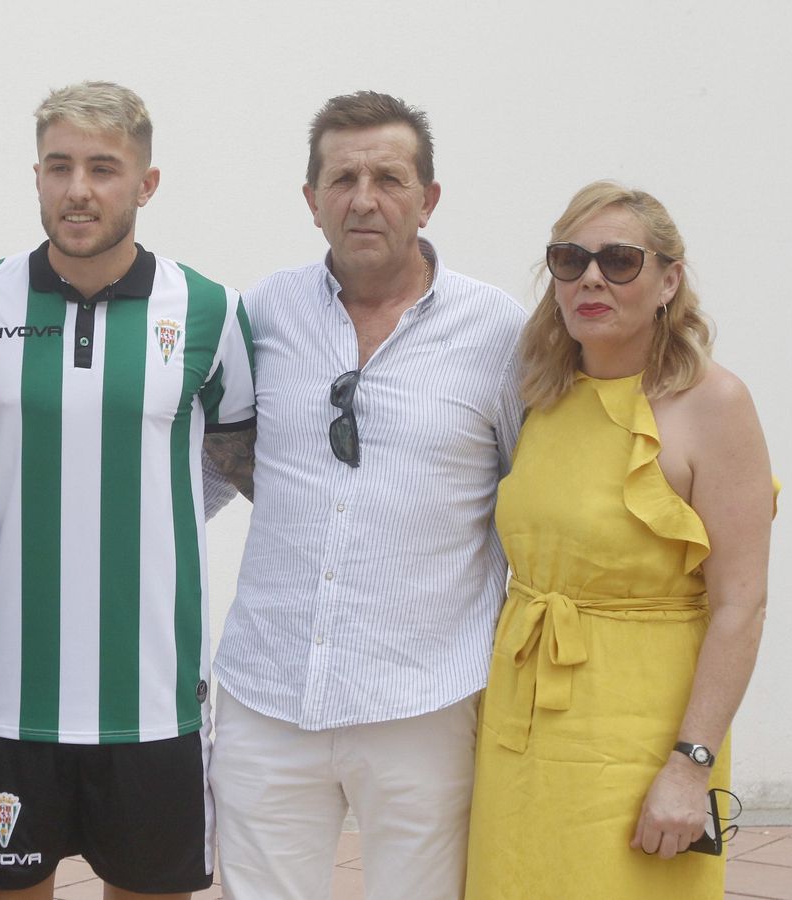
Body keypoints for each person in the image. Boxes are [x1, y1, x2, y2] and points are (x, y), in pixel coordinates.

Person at [202, 91, 526, 900]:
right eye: (342, 178)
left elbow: (532, 500)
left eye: (389, 176)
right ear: (312, 201)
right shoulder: (259, 314)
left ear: (429, 198)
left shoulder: (501, 334)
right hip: (267, 689)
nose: (365, 198)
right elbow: (209, 470)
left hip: (424, 699)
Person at [0, 81, 255, 900]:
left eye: (103, 168)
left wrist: (151, 519)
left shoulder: (207, 308)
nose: (78, 189)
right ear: (38, 176)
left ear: (145, 184)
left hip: (152, 699)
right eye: (59, 167)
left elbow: (235, 453)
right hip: (5, 695)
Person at [463, 182, 774, 899]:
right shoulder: (541, 392)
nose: (591, 278)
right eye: (570, 260)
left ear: (669, 280)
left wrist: (690, 764)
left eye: (620, 260)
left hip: (641, 736)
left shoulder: (716, 405)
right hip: (524, 727)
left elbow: (741, 606)